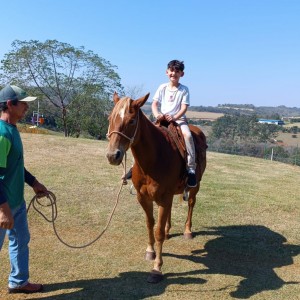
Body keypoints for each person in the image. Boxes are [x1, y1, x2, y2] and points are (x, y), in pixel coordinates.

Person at [0, 84, 49, 294]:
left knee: (21, 241)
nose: (26, 108)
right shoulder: (2, 135)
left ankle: (19, 281)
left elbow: (16, 164)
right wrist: (3, 210)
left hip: (16, 202)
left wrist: (34, 183)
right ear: (10, 105)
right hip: (3, 205)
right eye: (23, 104)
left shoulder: (12, 129)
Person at [152, 60, 197, 187]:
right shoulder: (162, 87)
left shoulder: (184, 89)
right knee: (145, 134)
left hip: (178, 120)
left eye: (177, 71)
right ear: (167, 72)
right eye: (172, 70)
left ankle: (191, 168)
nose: (174, 73)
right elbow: (155, 104)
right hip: (162, 119)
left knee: (188, 136)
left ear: (182, 74)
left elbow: (184, 108)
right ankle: (135, 166)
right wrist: (157, 115)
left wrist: (174, 117)